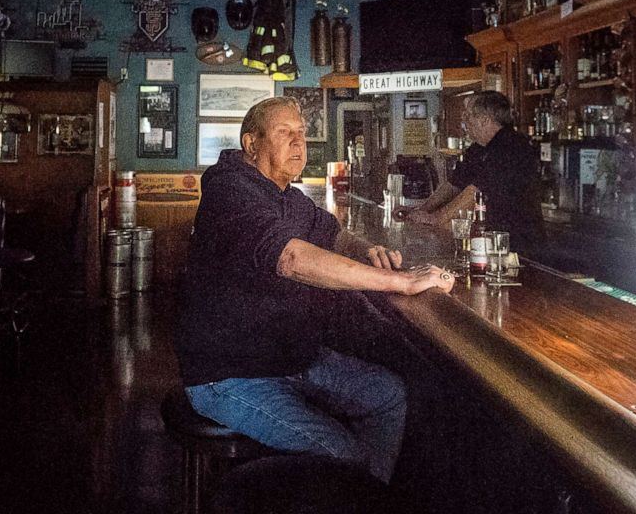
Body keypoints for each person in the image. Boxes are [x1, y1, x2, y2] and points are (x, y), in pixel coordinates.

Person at [175, 97, 454, 484]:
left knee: (388, 396)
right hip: (230, 374)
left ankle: (363, 499)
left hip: (288, 357)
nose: (299, 142)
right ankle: (355, 492)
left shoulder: (285, 195)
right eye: (284, 132)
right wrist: (401, 282)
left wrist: (366, 251)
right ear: (251, 144)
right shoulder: (232, 193)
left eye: (302, 133)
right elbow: (290, 258)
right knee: (345, 458)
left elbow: (332, 233)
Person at [401, 91, 544, 254]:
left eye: (468, 116)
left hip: (519, 244)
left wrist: (436, 219)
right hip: (490, 239)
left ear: (484, 120)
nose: (464, 121)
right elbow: (454, 184)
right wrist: (422, 210)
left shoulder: (510, 145)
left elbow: (475, 191)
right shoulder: (478, 148)